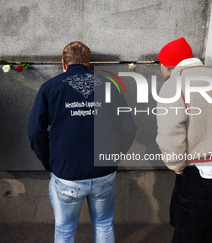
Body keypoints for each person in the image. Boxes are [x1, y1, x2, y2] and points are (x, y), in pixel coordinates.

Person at [28, 41, 136, 243]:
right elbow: (128, 127)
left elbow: (35, 133)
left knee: (65, 231)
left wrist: (50, 162)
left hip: (67, 174)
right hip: (104, 170)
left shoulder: (50, 88)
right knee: (104, 223)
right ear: (88, 63)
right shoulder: (108, 86)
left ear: (63, 63)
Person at [156, 37, 212, 243]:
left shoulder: (174, 85)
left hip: (203, 173)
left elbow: (170, 134)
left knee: (188, 234)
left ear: (167, 65)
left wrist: (177, 166)